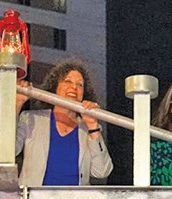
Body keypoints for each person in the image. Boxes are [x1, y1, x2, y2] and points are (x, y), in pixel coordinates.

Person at [14, 58, 113, 186]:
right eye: (67, 81)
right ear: (55, 87)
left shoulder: (88, 129)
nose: (74, 87)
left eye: (80, 84)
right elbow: (3, 149)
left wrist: (93, 126)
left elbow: (102, 171)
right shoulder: (31, 119)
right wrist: (16, 105)